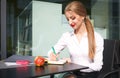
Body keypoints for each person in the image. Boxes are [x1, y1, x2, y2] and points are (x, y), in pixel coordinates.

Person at [48, 0, 104, 78]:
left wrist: (74, 64)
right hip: (72, 73)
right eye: (68, 19)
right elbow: (52, 51)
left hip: (89, 75)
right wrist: (52, 55)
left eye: (73, 18)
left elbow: (97, 66)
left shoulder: (97, 37)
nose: (70, 22)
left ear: (83, 16)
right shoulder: (67, 36)